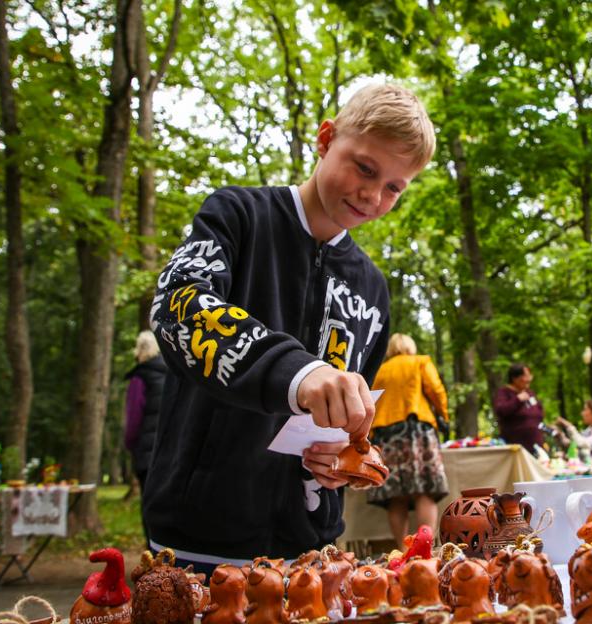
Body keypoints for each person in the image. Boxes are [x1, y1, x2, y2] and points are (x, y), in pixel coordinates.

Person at [143, 84, 435, 573]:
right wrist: (299, 375)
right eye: (365, 168)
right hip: (198, 543)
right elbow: (177, 307)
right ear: (325, 139)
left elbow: (351, 412)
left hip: (310, 553)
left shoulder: (373, 290)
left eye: (394, 187)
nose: (373, 194)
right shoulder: (237, 216)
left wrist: (343, 457)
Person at [367, 333, 449, 550]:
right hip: (416, 431)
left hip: (385, 436)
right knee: (424, 490)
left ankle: (402, 550)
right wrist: (443, 415)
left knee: (396, 496)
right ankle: (425, 550)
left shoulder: (380, 370)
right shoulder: (420, 362)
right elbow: (436, 390)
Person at [124, 330, 168, 495]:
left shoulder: (139, 379)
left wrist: (130, 444)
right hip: (169, 452)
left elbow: (134, 419)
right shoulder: (170, 375)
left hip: (146, 454)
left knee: (150, 505)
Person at [493, 364, 544, 453]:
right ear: (515, 378)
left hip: (535, 444)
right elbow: (500, 410)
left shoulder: (530, 393)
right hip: (515, 445)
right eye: (526, 376)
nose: (529, 379)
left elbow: (539, 411)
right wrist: (518, 400)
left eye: (530, 375)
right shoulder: (504, 392)